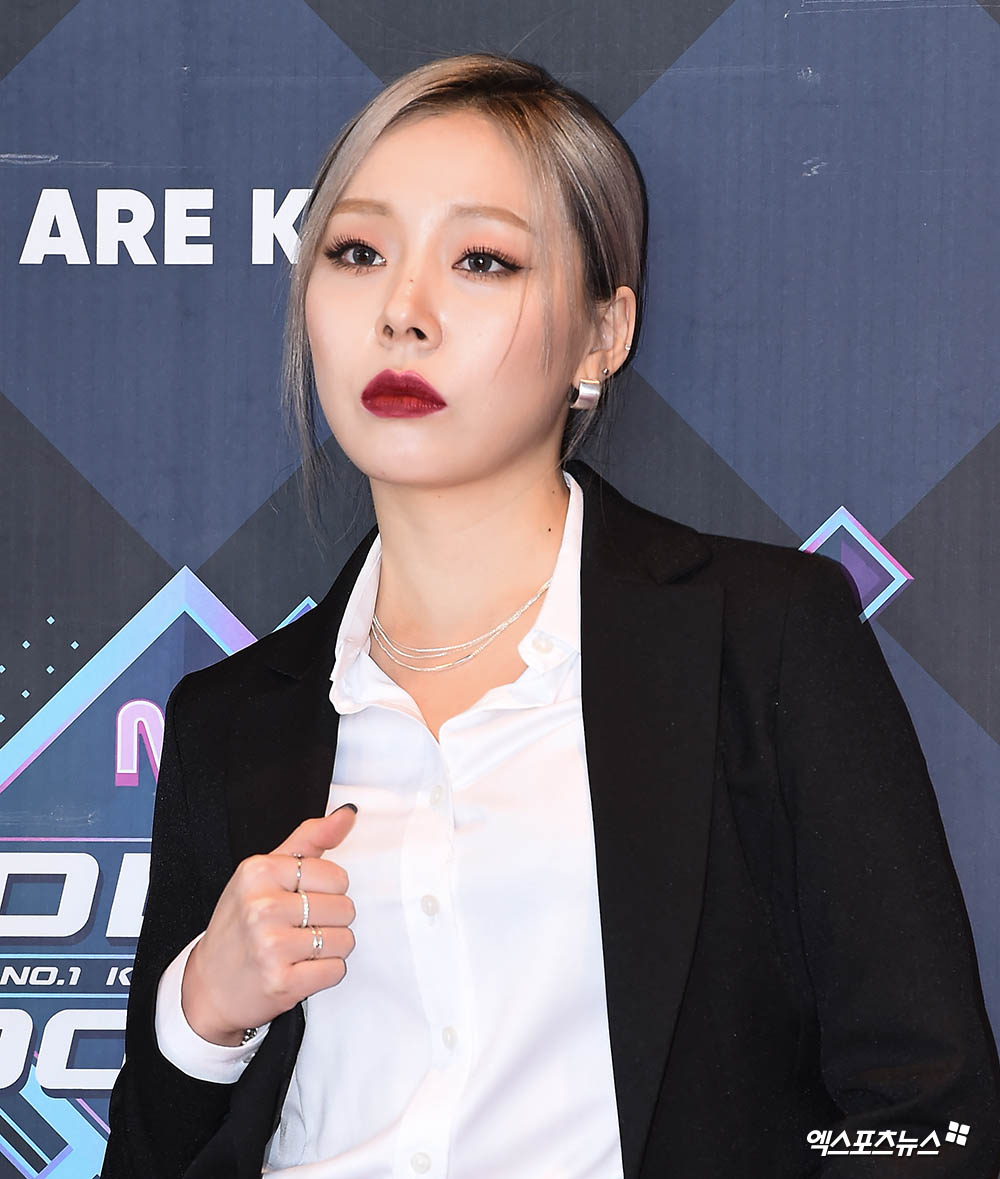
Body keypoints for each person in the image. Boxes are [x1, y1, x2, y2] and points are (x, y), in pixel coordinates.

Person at [102, 53, 1000, 1178]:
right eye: (357, 252)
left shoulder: (761, 637)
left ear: (600, 336)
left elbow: (927, 1109)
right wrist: (204, 1011)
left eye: (482, 261)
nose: (403, 313)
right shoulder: (228, 717)